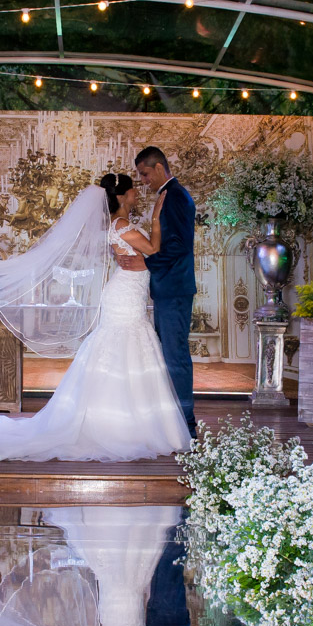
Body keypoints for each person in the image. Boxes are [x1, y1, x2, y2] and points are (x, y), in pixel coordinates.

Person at [0, 174, 192, 462]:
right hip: (125, 295)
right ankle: (117, 424)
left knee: (126, 349)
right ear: (123, 195)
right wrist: (155, 217)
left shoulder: (118, 225)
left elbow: (143, 256)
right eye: (133, 190)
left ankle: (126, 420)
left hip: (129, 290)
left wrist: (143, 253)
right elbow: (154, 250)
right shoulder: (122, 224)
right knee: (125, 347)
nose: (138, 193)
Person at [118, 146, 198, 439]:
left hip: (175, 289)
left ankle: (187, 425)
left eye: (145, 173)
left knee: (175, 355)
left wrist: (146, 261)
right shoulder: (169, 195)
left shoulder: (175, 196)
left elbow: (179, 246)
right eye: (140, 175)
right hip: (169, 288)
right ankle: (174, 421)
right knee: (169, 354)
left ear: (160, 168)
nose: (142, 180)